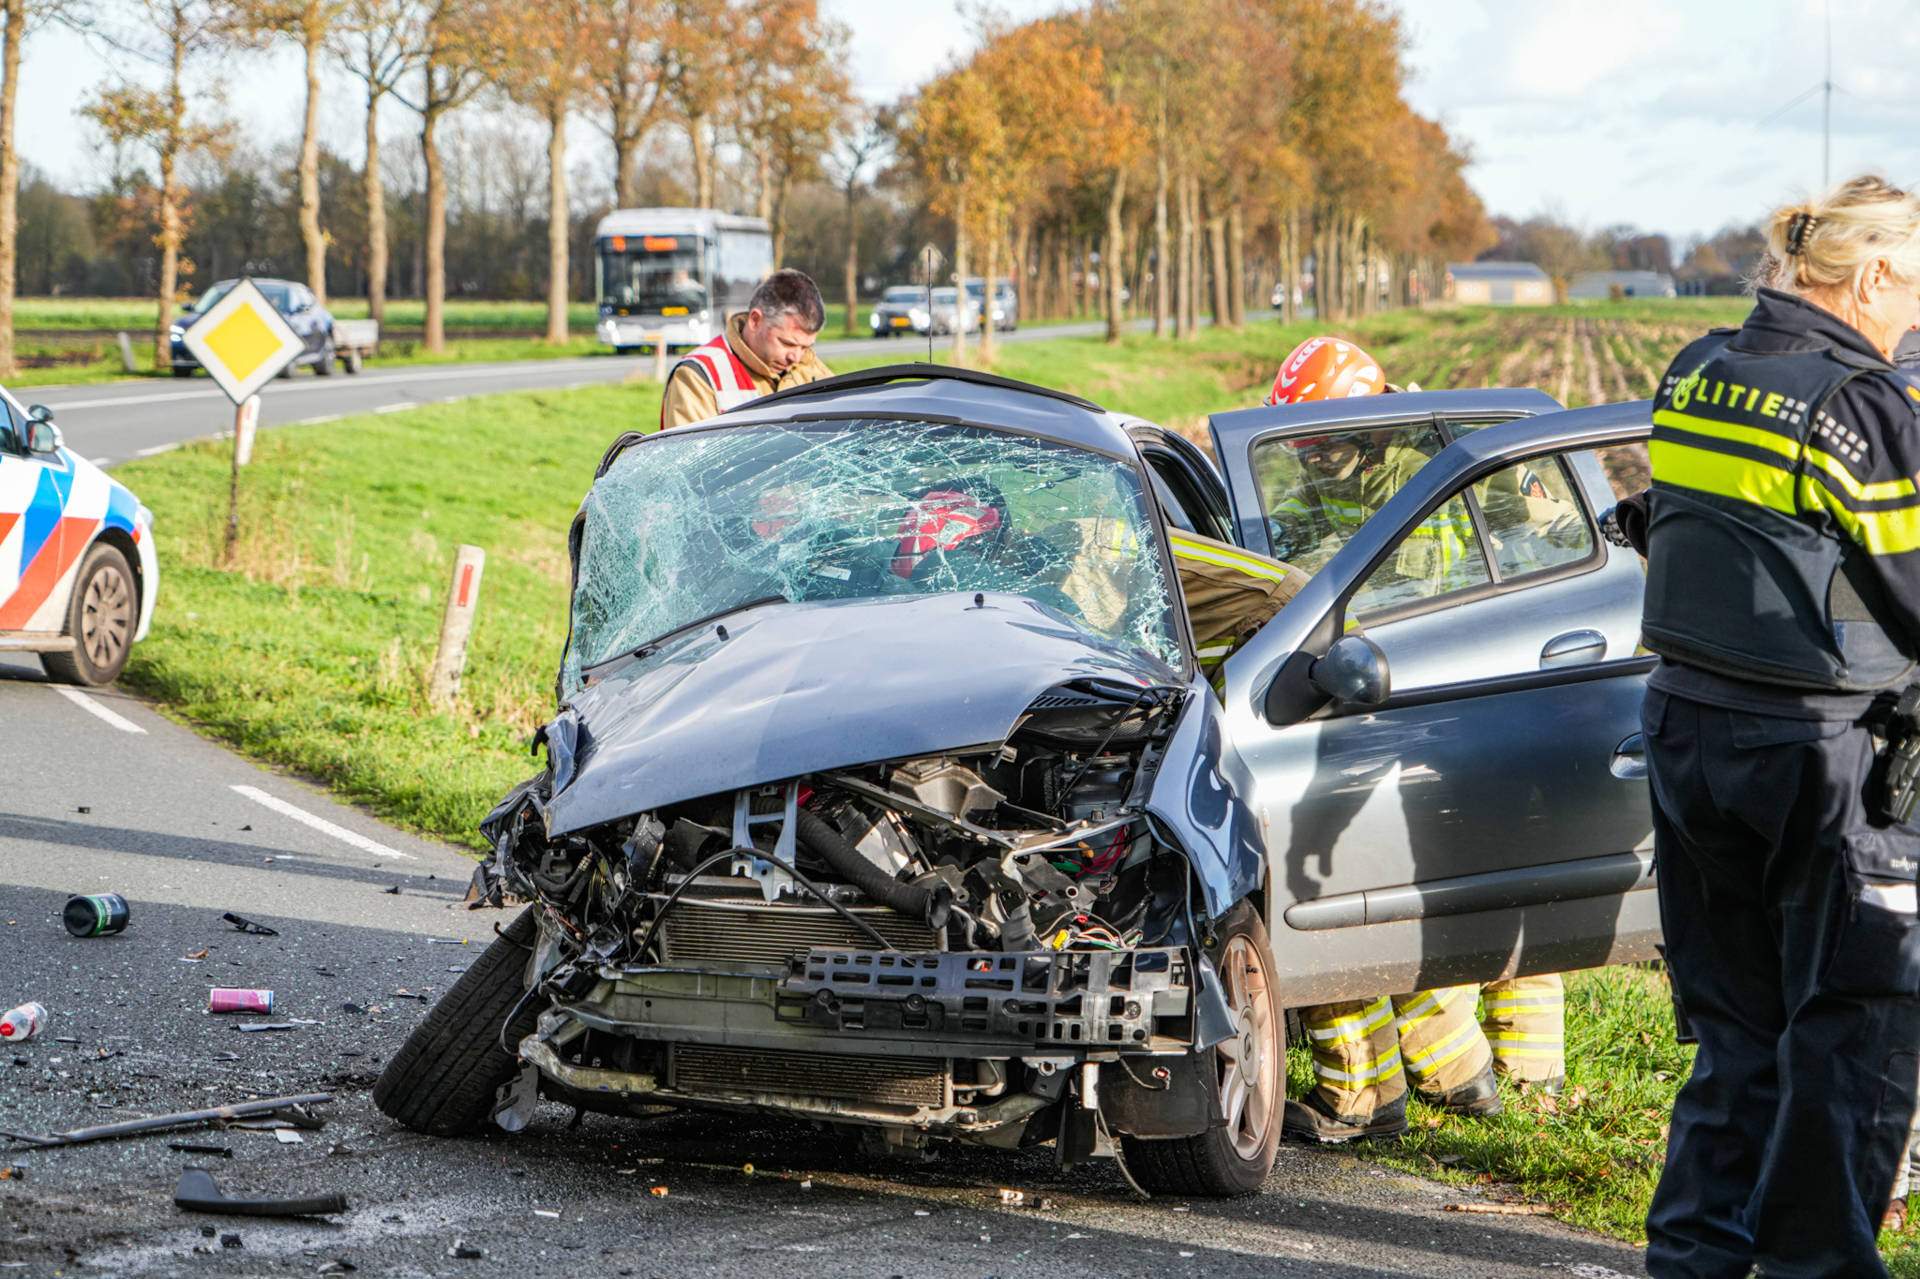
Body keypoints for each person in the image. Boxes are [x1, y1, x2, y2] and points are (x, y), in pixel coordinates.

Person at [1630, 175, 1920, 1279]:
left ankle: (1695, 1258)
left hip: (1688, 738)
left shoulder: (1697, 370)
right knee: (1852, 1030)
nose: (1915, 318)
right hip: (1824, 755)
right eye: (1913, 290)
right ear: (1874, 271)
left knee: (1736, 1036)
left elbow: (1691, 527)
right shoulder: (1860, 408)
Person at [1261, 336, 1567, 1143]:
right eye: (1298, 443)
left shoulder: (1434, 459)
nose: (1308, 458)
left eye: (1319, 440)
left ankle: (1487, 1078)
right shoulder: (1344, 479)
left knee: (1375, 894)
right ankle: (1491, 1079)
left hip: (1434, 693)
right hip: (1429, 695)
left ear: (1364, 415)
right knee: (1464, 887)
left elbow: (1550, 531)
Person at [658, 269, 833, 430]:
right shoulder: (698, 376)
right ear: (755, 320)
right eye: (787, 344)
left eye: (805, 347)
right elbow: (690, 460)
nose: (795, 357)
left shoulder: (813, 370)